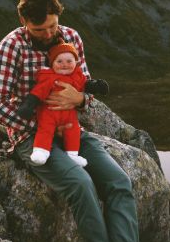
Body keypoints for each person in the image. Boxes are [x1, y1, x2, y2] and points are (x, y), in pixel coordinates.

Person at [0, 0, 169, 242]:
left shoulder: (71, 37)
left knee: (119, 183)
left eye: (53, 25)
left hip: (72, 131)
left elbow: (86, 88)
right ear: (24, 21)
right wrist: (36, 119)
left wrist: (81, 99)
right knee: (81, 186)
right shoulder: (11, 46)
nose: (49, 33)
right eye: (40, 29)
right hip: (32, 138)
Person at [16, 40, 109, 168]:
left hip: (69, 115)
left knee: (73, 130)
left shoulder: (77, 76)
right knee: (45, 130)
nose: (64, 64)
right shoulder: (48, 78)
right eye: (59, 61)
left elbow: (86, 84)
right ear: (52, 64)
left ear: (75, 63)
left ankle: (72, 155)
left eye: (69, 61)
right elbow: (38, 92)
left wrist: (96, 86)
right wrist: (28, 105)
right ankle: (41, 152)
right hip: (49, 113)